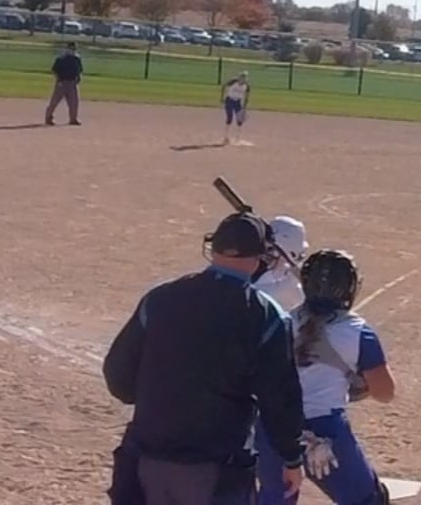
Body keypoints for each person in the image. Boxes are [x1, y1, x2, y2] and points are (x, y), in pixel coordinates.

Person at [102, 212, 322, 505]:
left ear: (213, 248)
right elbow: (280, 398)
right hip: (216, 467)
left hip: (147, 456)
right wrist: (291, 457)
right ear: (260, 258)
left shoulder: (159, 298)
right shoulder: (266, 315)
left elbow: (118, 377)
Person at [281, 249, 397, 505]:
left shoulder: (280, 321)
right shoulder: (357, 331)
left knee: (274, 498)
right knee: (369, 500)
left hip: (272, 427)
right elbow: (385, 393)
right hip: (324, 431)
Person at [250, 215, 311, 504]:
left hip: (225, 397)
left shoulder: (245, 279)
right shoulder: (286, 292)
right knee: (279, 483)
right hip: (264, 402)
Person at [46, 41, 84, 126]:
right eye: (71, 48)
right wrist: (58, 79)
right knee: (54, 102)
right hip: (61, 83)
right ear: (67, 49)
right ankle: (48, 117)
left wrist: (79, 77)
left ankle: (73, 119)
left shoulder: (77, 59)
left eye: (74, 49)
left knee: (74, 102)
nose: (73, 50)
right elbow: (54, 70)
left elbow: (80, 70)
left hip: (72, 83)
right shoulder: (61, 58)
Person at [222, 71, 252, 145]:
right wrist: (222, 97)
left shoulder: (247, 86)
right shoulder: (233, 81)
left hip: (237, 102)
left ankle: (237, 138)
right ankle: (226, 137)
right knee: (229, 118)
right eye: (242, 76)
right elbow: (224, 86)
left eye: (244, 77)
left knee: (240, 120)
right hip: (229, 100)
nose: (243, 78)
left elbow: (247, 96)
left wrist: (244, 106)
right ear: (239, 77)